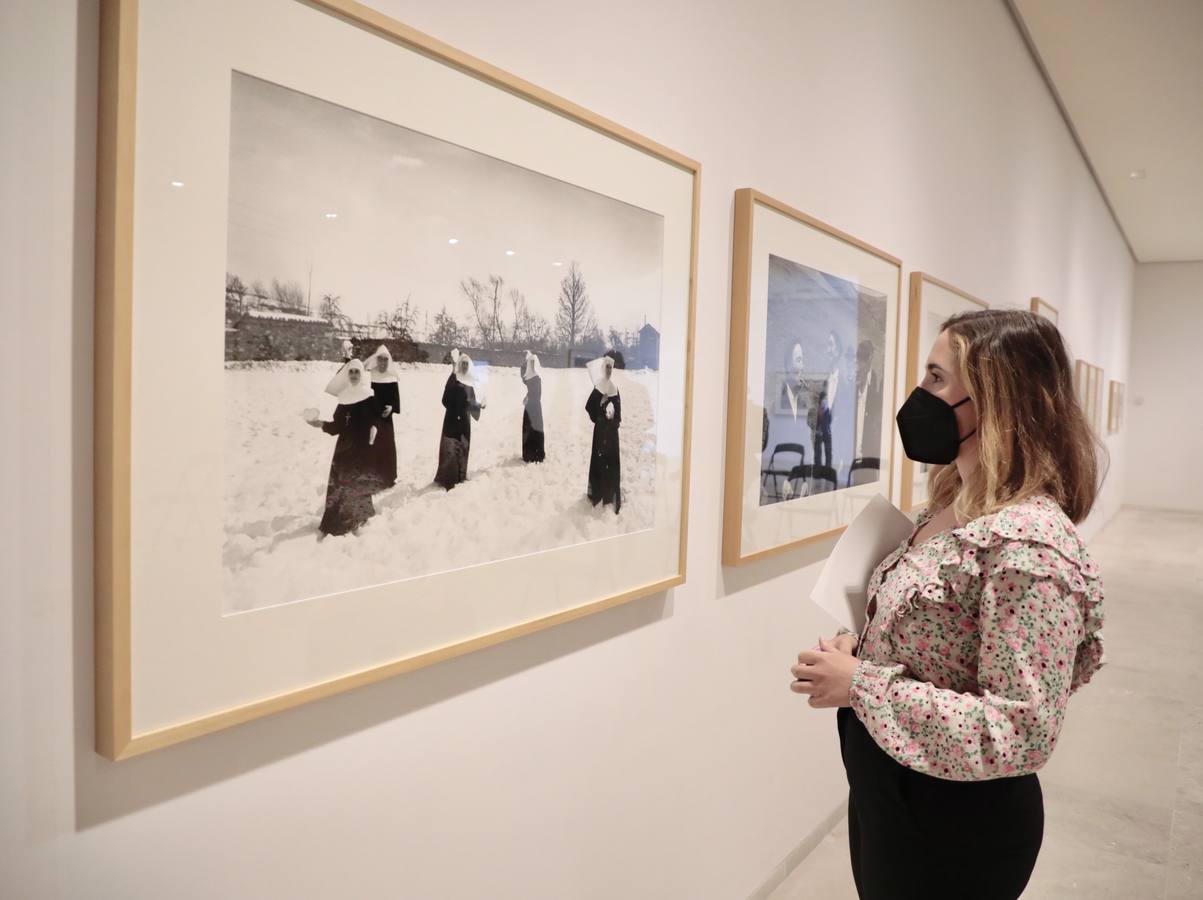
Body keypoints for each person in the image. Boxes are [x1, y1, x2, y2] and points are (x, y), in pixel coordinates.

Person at [789, 309, 1105, 900]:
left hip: (956, 827)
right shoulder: (953, 500)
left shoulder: (1030, 545)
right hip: (893, 797)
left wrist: (861, 684)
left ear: (996, 398)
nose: (919, 395)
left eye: (936, 378)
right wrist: (863, 648)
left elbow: (1021, 728)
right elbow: (941, 639)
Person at [305, 358, 380, 536]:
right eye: (351, 372)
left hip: (361, 448)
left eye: (357, 372)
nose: (354, 375)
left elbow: (375, 420)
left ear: (362, 374)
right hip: (344, 449)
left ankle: (357, 516)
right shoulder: (343, 399)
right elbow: (336, 427)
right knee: (341, 484)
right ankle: (340, 519)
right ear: (347, 375)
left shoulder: (369, 396)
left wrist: (374, 428)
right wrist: (320, 423)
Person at [435, 350, 483, 490]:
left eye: (467, 364)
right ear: (459, 365)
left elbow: (472, 404)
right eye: (463, 364)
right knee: (449, 449)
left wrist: (480, 405)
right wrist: (455, 408)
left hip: (464, 422)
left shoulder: (470, 383)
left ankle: (460, 476)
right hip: (451, 420)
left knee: (462, 448)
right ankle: (447, 478)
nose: (465, 367)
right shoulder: (453, 378)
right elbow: (444, 400)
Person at [585, 354, 621, 513]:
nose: (609, 370)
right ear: (602, 368)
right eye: (607, 367)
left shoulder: (614, 388)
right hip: (600, 433)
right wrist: (600, 406)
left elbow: (619, 416)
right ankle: (598, 492)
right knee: (599, 462)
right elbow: (589, 408)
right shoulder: (598, 387)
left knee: (611, 462)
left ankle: (609, 493)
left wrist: (612, 418)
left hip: (611, 434)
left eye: (611, 368)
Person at [367, 345, 400, 489]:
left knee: (387, 447)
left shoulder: (392, 378)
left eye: (385, 360)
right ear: (376, 360)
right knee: (373, 447)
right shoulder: (371, 376)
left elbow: (396, 399)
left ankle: (388, 478)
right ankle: (373, 478)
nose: (382, 363)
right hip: (372, 418)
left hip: (387, 420)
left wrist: (392, 408)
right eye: (380, 360)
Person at [521, 351, 545, 463]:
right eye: (530, 363)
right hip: (530, 406)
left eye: (532, 363)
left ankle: (536, 454)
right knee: (528, 431)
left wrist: (528, 397)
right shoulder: (530, 376)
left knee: (535, 430)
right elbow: (524, 378)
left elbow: (536, 393)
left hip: (534, 407)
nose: (531, 365)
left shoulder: (537, 377)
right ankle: (529, 453)